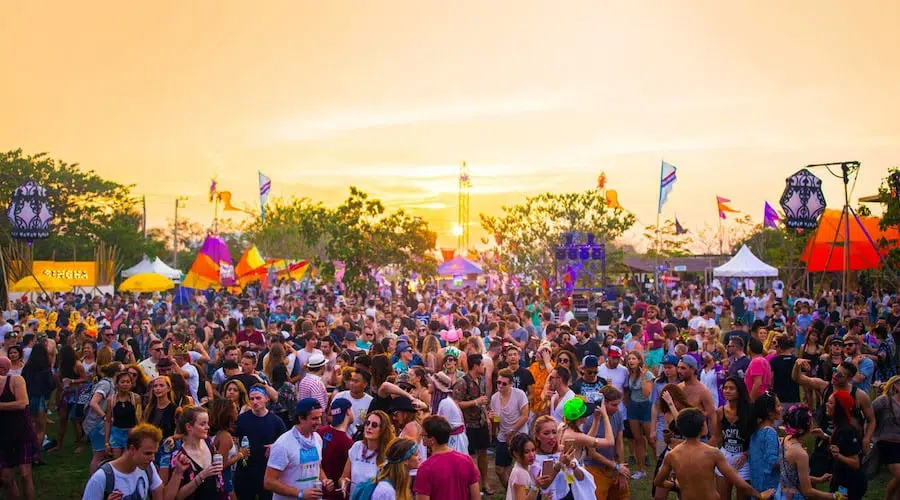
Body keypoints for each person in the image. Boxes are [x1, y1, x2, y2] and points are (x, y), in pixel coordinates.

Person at [653, 408, 773, 500]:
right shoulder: (712, 453)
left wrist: (675, 485)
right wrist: (759, 495)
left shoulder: (672, 455)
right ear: (703, 428)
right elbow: (738, 481)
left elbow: (658, 482)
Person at [263, 397, 334, 499]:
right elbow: (269, 482)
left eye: (319, 417)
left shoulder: (317, 439)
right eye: (314, 418)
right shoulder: (283, 444)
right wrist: (300, 493)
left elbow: (317, 466)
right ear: (301, 418)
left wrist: (325, 480)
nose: (319, 422)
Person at [82, 423, 165, 500]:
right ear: (132, 449)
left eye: (154, 453)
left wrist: (177, 473)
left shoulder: (149, 467)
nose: (152, 458)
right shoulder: (101, 478)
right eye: (148, 453)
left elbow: (159, 491)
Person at [773, 404, 836, 499]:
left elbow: (795, 476)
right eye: (810, 421)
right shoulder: (800, 454)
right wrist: (832, 496)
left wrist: (819, 480)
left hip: (782, 494)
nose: (812, 423)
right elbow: (807, 491)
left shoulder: (786, 439)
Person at [234, 385, 287, 500]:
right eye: (252, 399)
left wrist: (275, 446)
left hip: (266, 469)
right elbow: (233, 438)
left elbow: (286, 443)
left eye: (258, 398)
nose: (255, 402)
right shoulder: (242, 419)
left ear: (266, 398)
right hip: (245, 470)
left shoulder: (276, 421)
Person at [413, 415, 480, 500]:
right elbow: (476, 496)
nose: (422, 437)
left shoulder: (425, 468)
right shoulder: (467, 460)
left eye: (423, 435)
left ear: (432, 439)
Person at [167, 406, 228, 499]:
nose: (207, 427)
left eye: (207, 423)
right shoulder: (179, 456)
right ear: (189, 427)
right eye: (203, 424)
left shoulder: (208, 442)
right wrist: (201, 476)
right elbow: (178, 496)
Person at [452, 353, 491, 494]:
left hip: (481, 423)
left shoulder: (481, 380)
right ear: (475, 366)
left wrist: (486, 417)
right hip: (468, 425)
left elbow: (482, 402)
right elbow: (455, 403)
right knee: (470, 456)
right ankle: (472, 486)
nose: (484, 367)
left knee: (483, 453)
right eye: (482, 364)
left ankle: (485, 483)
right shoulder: (462, 382)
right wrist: (475, 402)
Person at [711, 376, 755, 500]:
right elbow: (717, 436)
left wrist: (746, 454)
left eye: (731, 388)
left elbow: (756, 438)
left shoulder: (750, 410)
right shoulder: (720, 411)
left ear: (740, 391)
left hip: (744, 459)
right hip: (725, 457)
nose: (727, 391)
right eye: (725, 388)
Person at [0, 356, 36, 500]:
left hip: (21, 432)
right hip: (3, 435)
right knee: (6, 477)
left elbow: (23, 403)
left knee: (25, 474)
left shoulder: (16, 380)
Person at [529, 415, 589, 500]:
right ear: (538, 436)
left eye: (554, 432)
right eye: (546, 433)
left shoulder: (562, 451)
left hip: (567, 496)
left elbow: (581, 477)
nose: (551, 437)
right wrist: (559, 464)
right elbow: (544, 485)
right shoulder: (534, 457)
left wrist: (573, 466)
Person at [489, 368, 531, 487]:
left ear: (511, 384)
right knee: (500, 470)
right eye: (498, 382)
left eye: (504, 383)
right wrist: (492, 420)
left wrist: (512, 431)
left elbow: (524, 416)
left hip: (519, 435)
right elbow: (497, 422)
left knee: (522, 467)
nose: (500, 385)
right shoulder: (494, 398)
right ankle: (511, 492)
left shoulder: (519, 394)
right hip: (503, 436)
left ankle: (523, 492)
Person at [340, 410, 395, 497]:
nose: (369, 427)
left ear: (383, 430)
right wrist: (343, 483)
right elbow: (344, 477)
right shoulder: (356, 447)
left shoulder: (388, 454)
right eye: (367, 423)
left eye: (374, 425)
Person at [826, 390, 867, 499]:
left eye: (830, 403)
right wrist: (825, 436)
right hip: (842, 479)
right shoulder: (840, 426)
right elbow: (841, 444)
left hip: (849, 484)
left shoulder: (846, 431)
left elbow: (855, 463)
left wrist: (838, 455)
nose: (826, 404)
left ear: (839, 408)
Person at [85, 362, 123, 474]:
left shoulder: (113, 385)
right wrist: (106, 417)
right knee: (98, 456)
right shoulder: (106, 385)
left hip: (101, 424)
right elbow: (93, 403)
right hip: (97, 424)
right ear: (117, 373)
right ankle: (94, 482)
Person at [22, 342, 55, 459]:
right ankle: (37, 455)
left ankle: (28, 453)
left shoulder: (27, 367)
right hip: (40, 399)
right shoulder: (45, 368)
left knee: (30, 427)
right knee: (41, 429)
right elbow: (51, 384)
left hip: (28, 398)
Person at [624, 351, 654, 479]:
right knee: (637, 439)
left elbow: (647, 393)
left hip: (646, 406)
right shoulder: (629, 374)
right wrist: (627, 405)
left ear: (639, 360)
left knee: (651, 439)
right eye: (629, 359)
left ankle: (665, 465)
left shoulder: (647, 374)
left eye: (634, 358)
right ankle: (641, 470)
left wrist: (642, 377)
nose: (631, 361)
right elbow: (627, 392)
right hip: (633, 406)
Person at [318, 398, 354, 500]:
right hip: (336, 494)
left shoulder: (321, 431)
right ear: (348, 411)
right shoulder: (348, 443)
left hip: (318, 490)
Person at [872, 375, 900, 500]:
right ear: (896, 387)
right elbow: (868, 414)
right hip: (887, 442)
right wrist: (868, 436)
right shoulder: (884, 400)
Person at [749, 392, 782, 495]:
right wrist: (790, 457)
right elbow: (772, 461)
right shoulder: (770, 432)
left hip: (756, 484)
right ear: (770, 412)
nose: (781, 409)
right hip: (769, 487)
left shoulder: (757, 428)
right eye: (778, 406)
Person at [105, 371, 143, 459]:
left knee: (128, 460)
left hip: (131, 432)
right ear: (117, 384)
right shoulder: (111, 400)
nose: (125, 384)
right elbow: (107, 421)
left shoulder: (136, 398)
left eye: (128, 382)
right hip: (116, 433)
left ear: (131, 384)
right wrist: (106, 442)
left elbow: (140, 418)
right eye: (122, 382)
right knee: (117, 460)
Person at [506, 433, 538, 500]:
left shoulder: (526, 468)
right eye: (526, 452)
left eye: (533, 450)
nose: (532, 455)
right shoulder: (520, 473)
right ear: (516, 454)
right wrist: (536, 486)